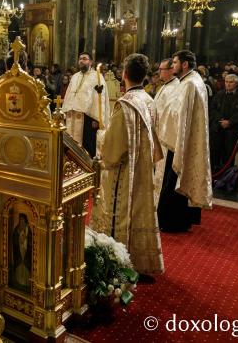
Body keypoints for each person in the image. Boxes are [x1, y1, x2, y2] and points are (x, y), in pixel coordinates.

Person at [91, 53, 164, 275]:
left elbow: (113, 150)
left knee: (121, 212)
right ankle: (141, 260)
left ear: (124, 75)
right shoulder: (149, 100)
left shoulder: (125, 105)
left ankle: (117, 259)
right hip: (143, 168)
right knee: (140, 211)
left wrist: (102, 136)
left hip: (124, 173)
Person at [157, 50, 212, 233]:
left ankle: (172, 222)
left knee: (174, 180)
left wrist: (163, 121)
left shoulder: (189, 84)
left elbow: (179, 115)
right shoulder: (193, 80)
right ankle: (182, 220)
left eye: (174, 63)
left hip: (179, 140)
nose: (173, 66)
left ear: (185, 64)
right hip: (183, 138)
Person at [62, 52, 110, 156]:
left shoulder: (97, 77)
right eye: (80, 59)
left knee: (87, 146)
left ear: (91, 62)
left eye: (84, 59)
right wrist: (64, 111)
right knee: (70, 144)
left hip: (88, 118)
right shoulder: (75, 76)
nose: (81, 61)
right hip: (72, 115)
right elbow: (68, 94)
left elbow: (100, 97)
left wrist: (97, 119)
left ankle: (87, 168)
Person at [209, 74, 238, 172]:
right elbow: (212, 109)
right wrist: (221, 120)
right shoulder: (219, 94)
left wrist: (230, 122)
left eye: (231, 82)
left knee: (229, 153)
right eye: (226, 81)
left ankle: (227, 174)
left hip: (232, 129)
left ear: (236, 83)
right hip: (218, 128)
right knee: (215, 152)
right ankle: (214, 173)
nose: (228, 84)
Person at [153, 58, 179, 198]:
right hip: (158, 133)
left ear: (171, 70)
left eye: (161, 69)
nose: (159, 72)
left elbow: (170, 114)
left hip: (165, 136)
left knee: (163, 170)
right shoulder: (165, 85)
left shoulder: (176, 88)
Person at [10, 213, 32, 292]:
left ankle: (26, 281)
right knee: (19, 265)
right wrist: (19, 238)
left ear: (25, 220)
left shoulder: (28, 228)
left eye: (23, 220)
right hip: (19, 251)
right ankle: (19, 280)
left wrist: (25, 239)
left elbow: (31, 239)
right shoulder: (17, 228)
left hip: (26, 251)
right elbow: (15, 238)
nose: (21, 221)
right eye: (20, 220)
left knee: (26, 264)